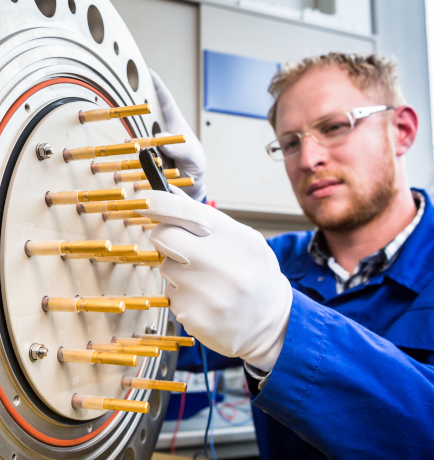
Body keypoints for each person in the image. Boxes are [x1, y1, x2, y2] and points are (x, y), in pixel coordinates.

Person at [139, 54, 434, 459]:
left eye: (334, 127)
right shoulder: (274, 260)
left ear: (401, 130)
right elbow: (160, 337)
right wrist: (184, 224)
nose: (309, 160)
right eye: (291, 143)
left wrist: (282, 331)